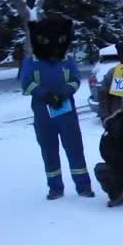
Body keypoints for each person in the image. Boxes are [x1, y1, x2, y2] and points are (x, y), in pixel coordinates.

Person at [22, 16, 93, 200]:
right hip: (43, 111)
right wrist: (44, 95)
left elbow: (76, 80)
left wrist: (63, 93)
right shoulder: (32, 61)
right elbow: (26, 83)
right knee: (49, 149)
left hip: (65, 109)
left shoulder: (67, 60)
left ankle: (83, 186)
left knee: (75, 147)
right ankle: (55, 187)